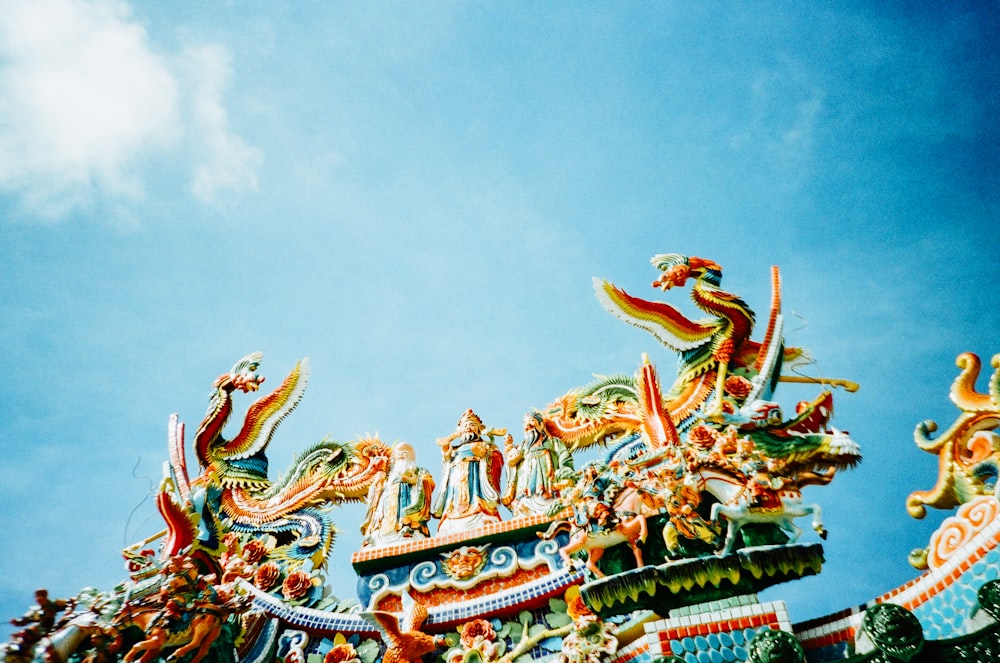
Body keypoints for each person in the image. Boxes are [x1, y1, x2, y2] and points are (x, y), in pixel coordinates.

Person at [431, 409, 504, 535]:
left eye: (472, 425)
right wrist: (447, 458)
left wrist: (484, 456)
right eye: (465, 426)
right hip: (456, 486)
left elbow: (497, 459)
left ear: (479, 429)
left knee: (477, 504)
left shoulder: (486, 445)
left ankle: (480, 511)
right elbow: (446, 469)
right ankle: (451, 516)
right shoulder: (454, 449)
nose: (468, 428)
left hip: (476, 481)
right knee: (453, 505)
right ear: (460, 430)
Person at [501, 411, 574, 517]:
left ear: (541, 424)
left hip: (548, 485)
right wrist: (510, 452)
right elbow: (511, 462)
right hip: (526, 487)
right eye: (525, 423)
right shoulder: (521, 448)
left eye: (532, 421)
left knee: (550, 503)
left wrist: (565, 475)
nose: (528, 425)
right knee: (524, 505)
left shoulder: (553, 442)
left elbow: (564, 457)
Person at [361, 442, 436, 546]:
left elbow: (428, 481)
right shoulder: (389, 476)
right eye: (398, 453)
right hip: (387, 503)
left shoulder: (419, 470)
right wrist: (377, 484)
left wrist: (416, 481)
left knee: (405, 518)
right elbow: (377, 492)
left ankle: (407, 528)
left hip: (406, 500)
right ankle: (377, 534)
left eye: (404, 452)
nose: (401, 455)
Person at [10, 589, 74, 635]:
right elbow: (26, 619)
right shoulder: (35, 610)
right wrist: (17, 621)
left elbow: (69, 603)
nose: (37, 599)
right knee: (27, 632)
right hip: (40, 629)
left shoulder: (54, 604)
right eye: (36, 597)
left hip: (52, 627)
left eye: (39, 596)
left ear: (45, 596)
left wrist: (69, 609)